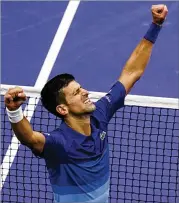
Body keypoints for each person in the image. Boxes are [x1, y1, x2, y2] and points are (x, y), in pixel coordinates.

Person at [4, 4, 168, 203]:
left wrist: (155, 26)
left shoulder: (100, 113)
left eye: (81, 88)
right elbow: (29, 137)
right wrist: (14, 111)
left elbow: (131, 73)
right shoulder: (60, 143)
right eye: (77, 92)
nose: (86, 92)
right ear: (62, 109)